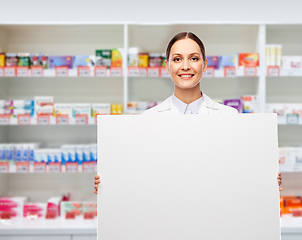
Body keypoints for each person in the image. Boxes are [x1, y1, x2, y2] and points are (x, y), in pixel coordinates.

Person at [93, 32, 283, 194]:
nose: (185, 66)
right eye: (177, 59)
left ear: (205, 64)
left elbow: (239, 175)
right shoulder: (148, 120)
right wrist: (110, 186)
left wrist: (264, 182)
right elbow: (140, 178)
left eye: (193, 58)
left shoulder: (229, 117)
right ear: (167, 65)